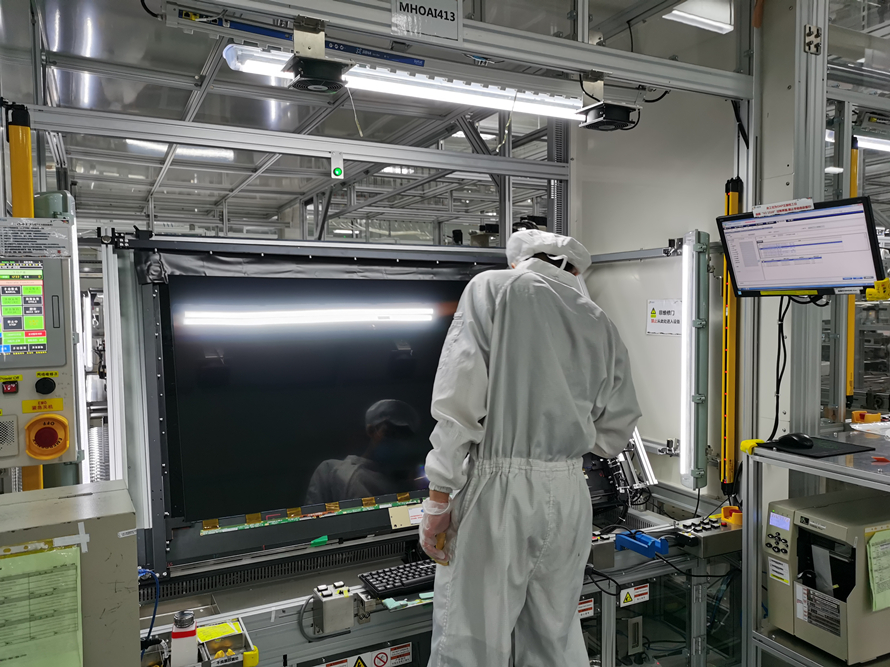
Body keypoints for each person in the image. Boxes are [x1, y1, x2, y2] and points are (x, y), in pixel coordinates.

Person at [419, 229, 641, 667]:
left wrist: (439, 496)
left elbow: (458, 400)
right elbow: (617, 426)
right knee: (554, 641)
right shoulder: (598, 319)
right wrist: (563, 444)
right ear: (574, 270)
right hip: (569, 492)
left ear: (518, 260)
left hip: (499, 490)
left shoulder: (493, 288)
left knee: (469, 644)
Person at [304, 399, 424, 505]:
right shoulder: (330, 470)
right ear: (371, 430)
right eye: (390, 433)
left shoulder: (402, 485)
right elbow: (312, 518)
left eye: (403, 436)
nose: (396, 441)